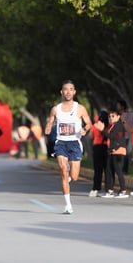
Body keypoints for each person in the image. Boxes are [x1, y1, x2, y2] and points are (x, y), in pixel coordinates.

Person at [44, 80, 92, 214]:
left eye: (71, 89)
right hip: (61, 143)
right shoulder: (56, 109)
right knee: (63, 171)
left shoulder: (80, 108)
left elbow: (89, 123)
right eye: (65, 89)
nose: (68, 92)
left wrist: (84, 129)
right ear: (61, 92)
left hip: (75, 143)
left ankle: (70, 171)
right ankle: (68, 205)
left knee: (74, 177)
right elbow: (50, 122)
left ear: (74, 92)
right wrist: (48, 128)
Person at [96, 109, 129, 198]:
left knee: (118, 171)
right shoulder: (112, 126)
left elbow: (112, 136)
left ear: (118, 117)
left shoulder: (118, 125)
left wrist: (103, 129)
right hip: (112, 151)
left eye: (113, 116)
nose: (110, 118)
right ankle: (109, 190)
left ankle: (123, 190)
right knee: (109, 171)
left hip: (118, 151)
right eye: (109, 116)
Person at [88, 110, 108, 197]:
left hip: (97, 148)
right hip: (107, 147)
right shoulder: (108, 126)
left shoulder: (95, 126)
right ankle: (108, 189)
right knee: (107, 170)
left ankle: (95, 189)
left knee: (97, 170)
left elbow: (90, 136)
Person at [116, 99, 133, 174]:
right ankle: (123, 169)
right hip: (128, 136)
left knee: (124, 154)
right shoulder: (131, 114)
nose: (117, 107)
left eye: (118, 105)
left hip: (125, 136)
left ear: (122, 106)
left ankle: (123, 170)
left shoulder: (122, 116)